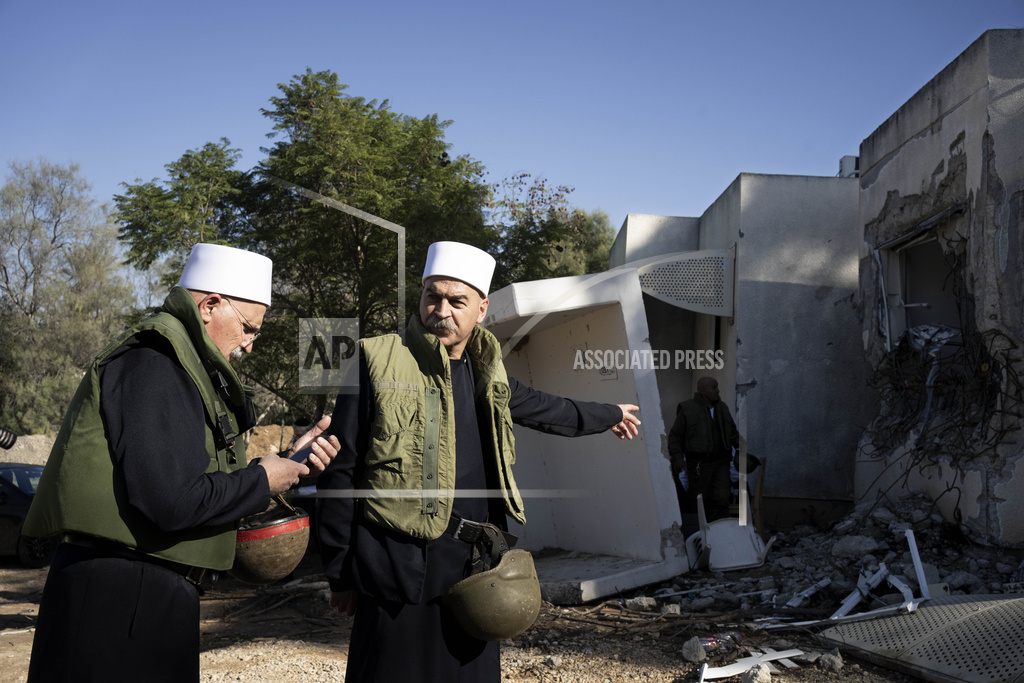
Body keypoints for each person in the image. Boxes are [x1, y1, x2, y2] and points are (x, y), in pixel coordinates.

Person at [317, 241, 641, 682]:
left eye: (457, 301)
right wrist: (340, 572)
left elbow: (548, 409)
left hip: (473, 570)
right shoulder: (375, 361)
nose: (441, 310)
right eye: (433, 296)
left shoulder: (488, 373)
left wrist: (610, 415)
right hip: (397, 569)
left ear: (481, 309)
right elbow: (341, 471)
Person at [23, 243, 341, 683]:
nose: (249, 346)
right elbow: (170, 500)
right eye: (249, 328)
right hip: (120, 598)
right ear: (210, 305)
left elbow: (194, 486)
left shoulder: (180, 364)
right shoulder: (156, 361)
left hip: (146, 593)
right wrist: (261, 479)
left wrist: (286, 468)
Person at [667, 375, 740, 522]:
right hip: (699, 463)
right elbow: (675, 437)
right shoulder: (688, 409)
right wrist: (678, 458)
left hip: (721, 462)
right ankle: (700, 535)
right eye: (714, 388)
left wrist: (740, 452)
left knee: (721, 498)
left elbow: (733, 434)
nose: (718, 391)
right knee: (699, 500)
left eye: (717, 387)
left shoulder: (722, 408)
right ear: (702, 390)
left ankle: (718, 533)